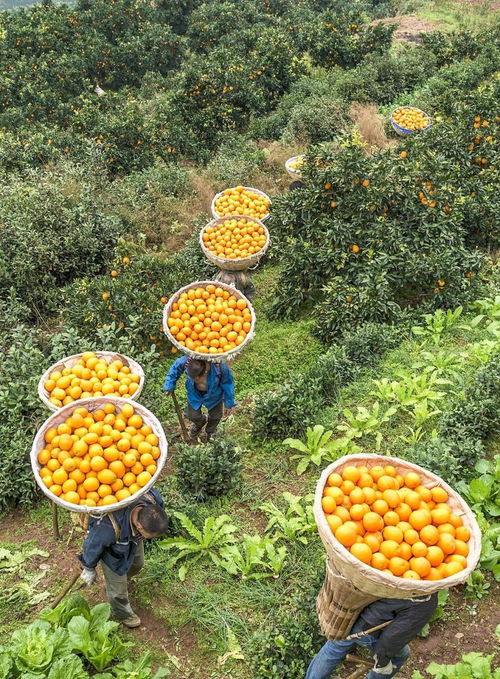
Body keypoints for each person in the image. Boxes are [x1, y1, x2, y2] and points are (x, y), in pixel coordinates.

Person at [78, 488, 168, 628]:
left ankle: (116, 585)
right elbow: (92, 545)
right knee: (118, 591)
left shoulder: (152, 499)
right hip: (113, 554)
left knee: (138, 564)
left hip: (134, 540)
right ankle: (122, 613)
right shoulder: (109, 527)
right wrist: (88, 566)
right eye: (152, 536)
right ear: (139, 526)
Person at [305, 593, 438, 679]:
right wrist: (382, 661)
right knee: (400, 655)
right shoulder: (426, 600)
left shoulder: (397, 573)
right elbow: (394, 637)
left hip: (350, 616)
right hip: (369, 630)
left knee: (334, 648)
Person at [163, 357, 236, 441]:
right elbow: (174, 369)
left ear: (205, 372)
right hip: (194, 394)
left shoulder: (219, 367)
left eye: (197, 379)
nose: (195, 380)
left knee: (215, 416)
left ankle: (210, 431)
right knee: (192, 415)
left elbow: (227, 384)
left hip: (214, 395)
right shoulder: (186, 361)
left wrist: (229, 403)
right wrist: (168, 385)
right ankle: (200, 423)